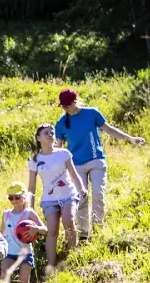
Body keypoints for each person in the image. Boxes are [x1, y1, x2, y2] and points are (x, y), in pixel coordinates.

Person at [55, 88, 145, 242]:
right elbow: (58, 147)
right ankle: (84, 233)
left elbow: (109, 129)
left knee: (98, 194)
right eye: (63, 106)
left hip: (96, 160)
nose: (65, 108)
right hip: (76, 166)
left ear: (75, 101)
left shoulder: (92, 114)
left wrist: (130, 138)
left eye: (67, 105)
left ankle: (98, 230)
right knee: (81, 197)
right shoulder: (61, 123)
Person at [28, 123, 87, 270]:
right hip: (49, 200)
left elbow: (74, 174)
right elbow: (31, 187)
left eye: (52, 133)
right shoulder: (34, 160)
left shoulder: (63, 153)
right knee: (52, 229)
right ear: (38, 138)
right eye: (46, 133)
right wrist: (29, 208)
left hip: (68, 195)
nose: (50, 135)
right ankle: (51, 265)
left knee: (69, 220)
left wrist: (82, 188)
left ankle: (72, 256)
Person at [0, 181, 44, 283]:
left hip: (25, 253)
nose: (14, 200)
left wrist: (36, 229)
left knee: (24, 282)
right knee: (4, 275)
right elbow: (1, 233)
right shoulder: (6, 214)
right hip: (10, 252)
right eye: (10, 197)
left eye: (17, 196)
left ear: (24, 196)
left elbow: (45, 229)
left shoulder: (29, 213)